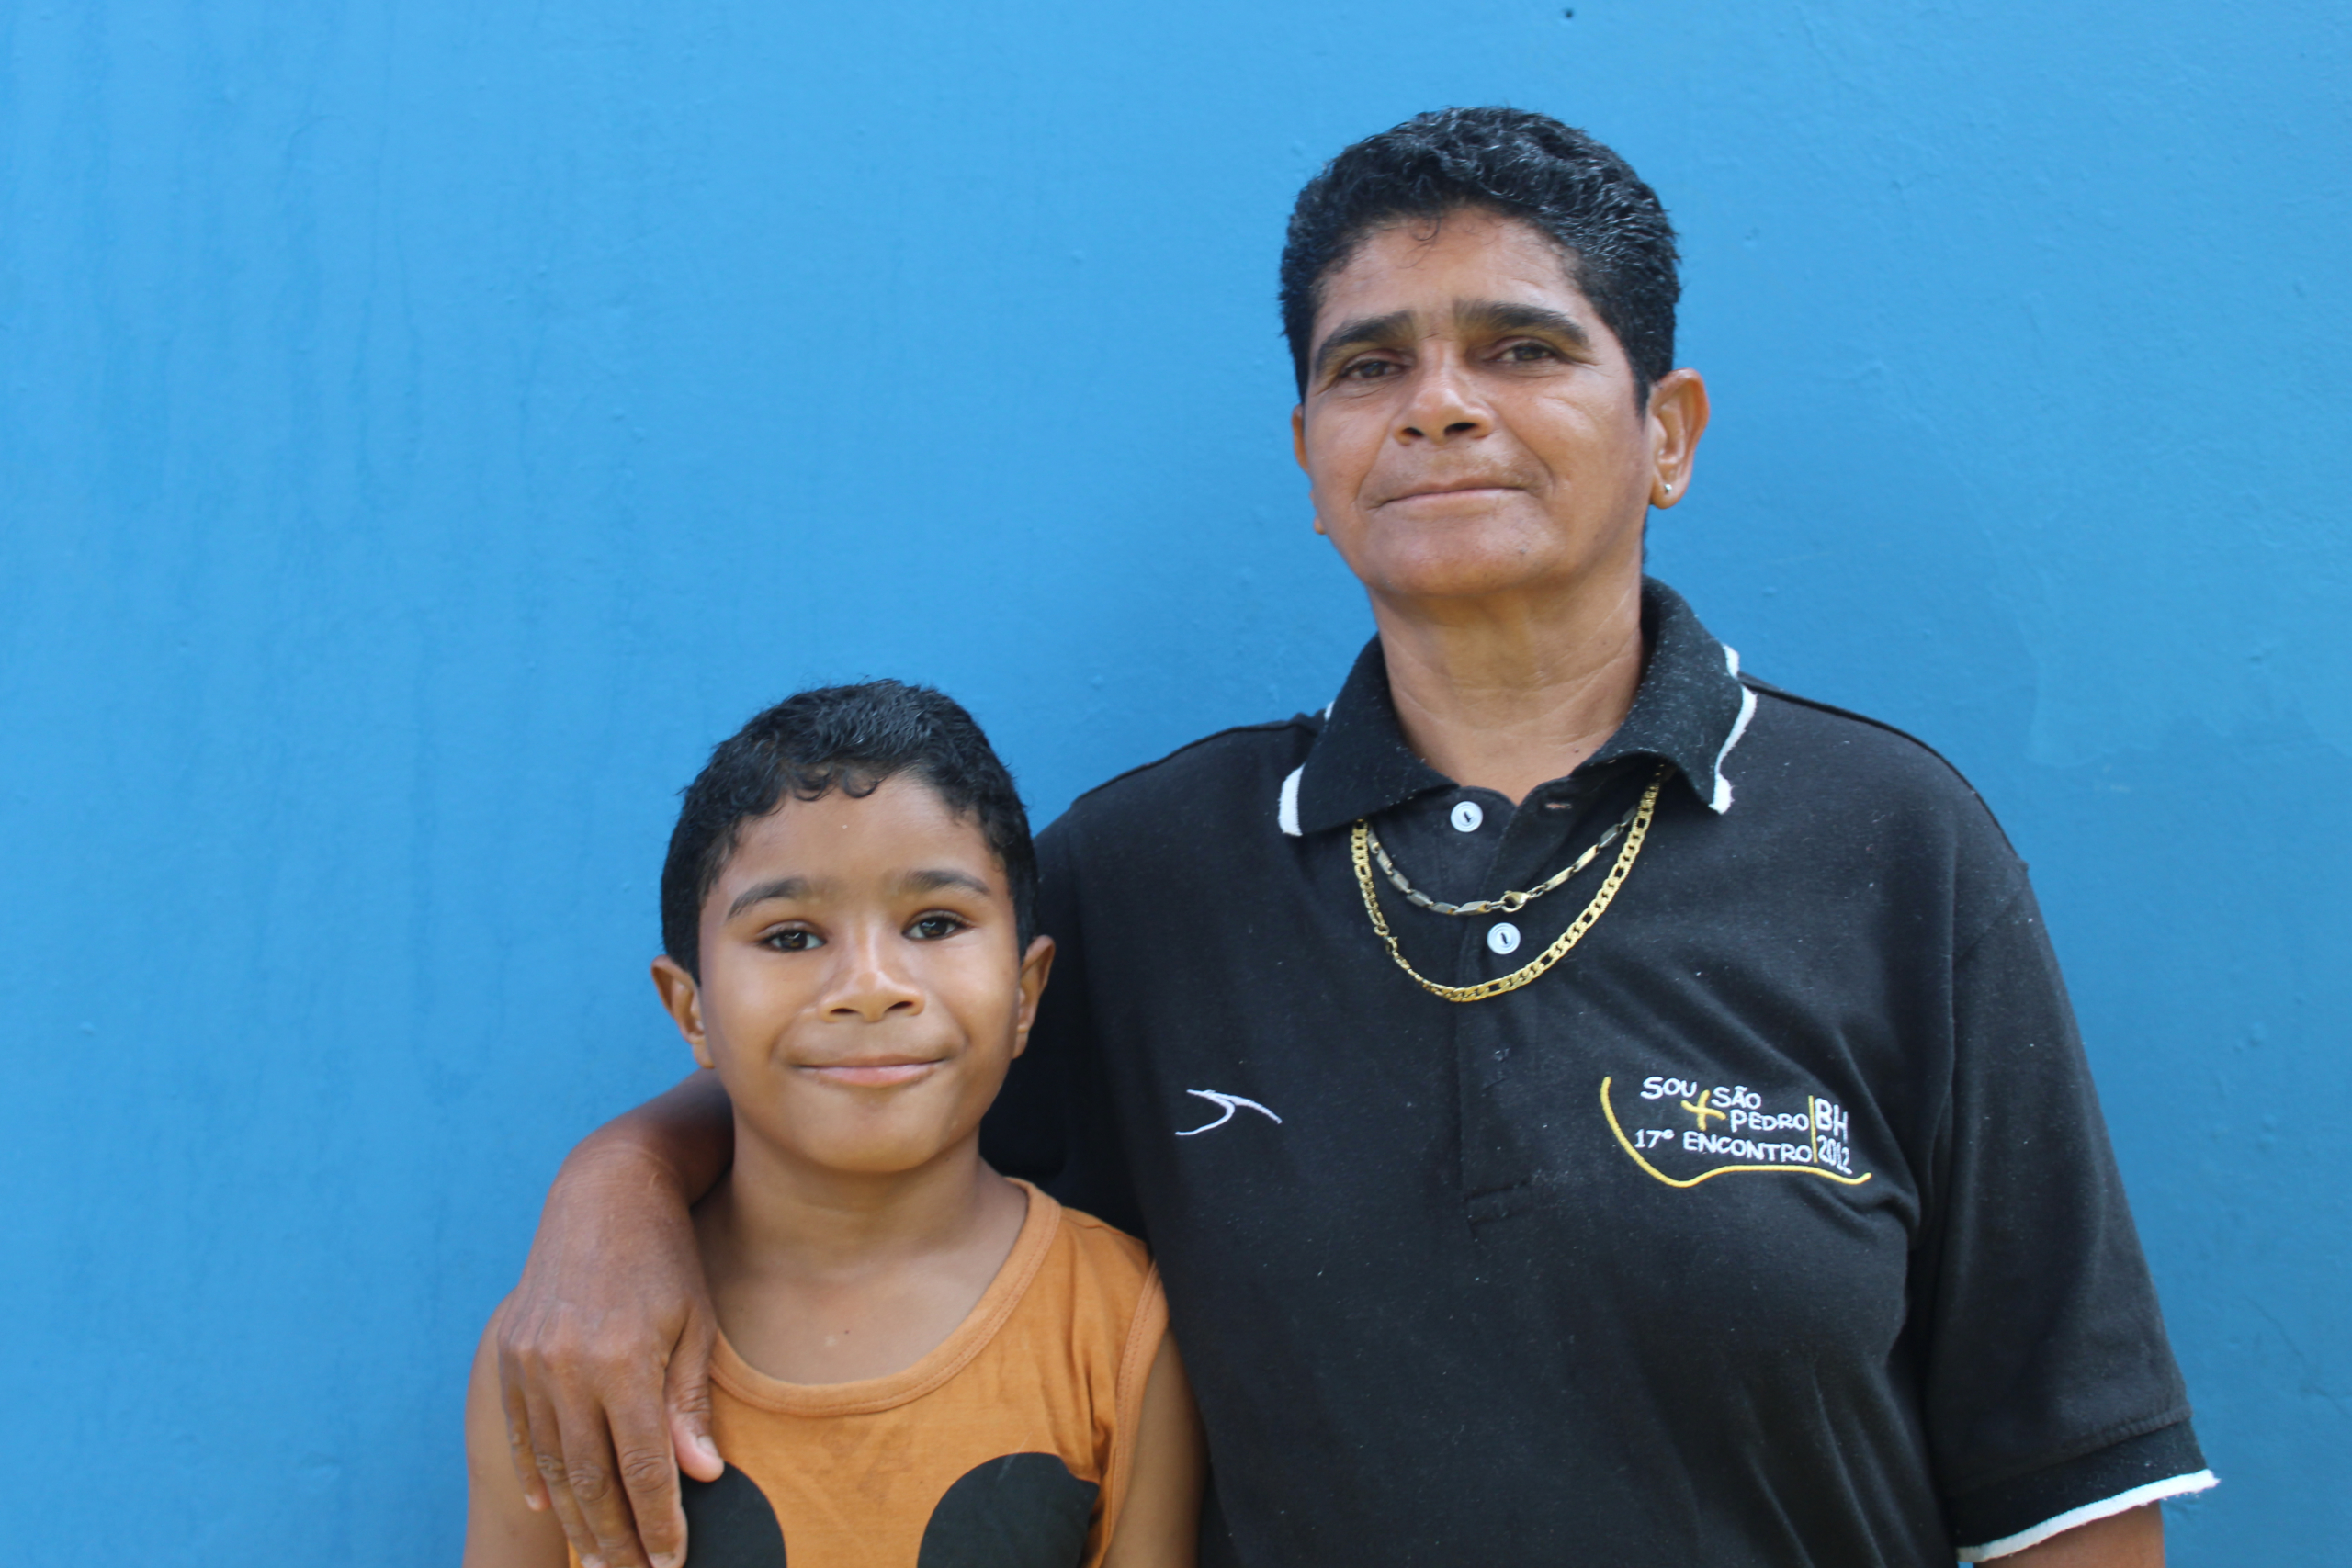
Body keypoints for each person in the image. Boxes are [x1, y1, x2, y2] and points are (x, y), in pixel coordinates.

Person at [494, 109, 2212, 1566]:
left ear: (1668, 434)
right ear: (1313, 457)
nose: (1438, 405)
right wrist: (618, 1189)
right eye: (1369, 364)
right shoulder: (1153, 869)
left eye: (1523, 348)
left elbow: (2067, 1491)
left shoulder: (1892, 847)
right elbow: (871, 1071)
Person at [464, 683, 1204, 1567]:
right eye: (790, 936)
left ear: (1025, 992)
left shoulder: (1123, 1327)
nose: (870, 986)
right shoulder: (574, 1340)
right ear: (690, 1009)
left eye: (935, 922)